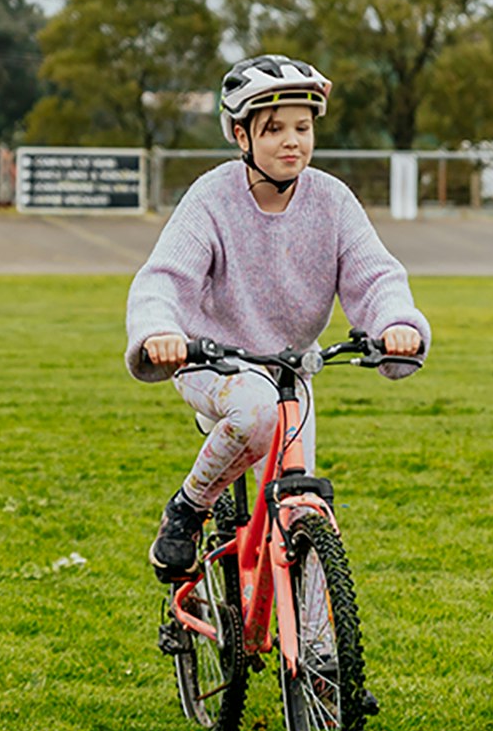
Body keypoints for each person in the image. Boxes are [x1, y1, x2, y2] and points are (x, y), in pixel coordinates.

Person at [125, 55, 431, 580]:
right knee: (257, 411)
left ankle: (315, 656)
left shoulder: (332, 200)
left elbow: (375, 275)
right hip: (211, 363)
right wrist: (160, 333)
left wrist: (396, 322)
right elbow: (163, 279)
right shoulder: (211, 199)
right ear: (241, 136)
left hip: (291, 374)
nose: (292, 141)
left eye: (302, 127)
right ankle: (188, 508)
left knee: (305, 514)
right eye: (273, 129)